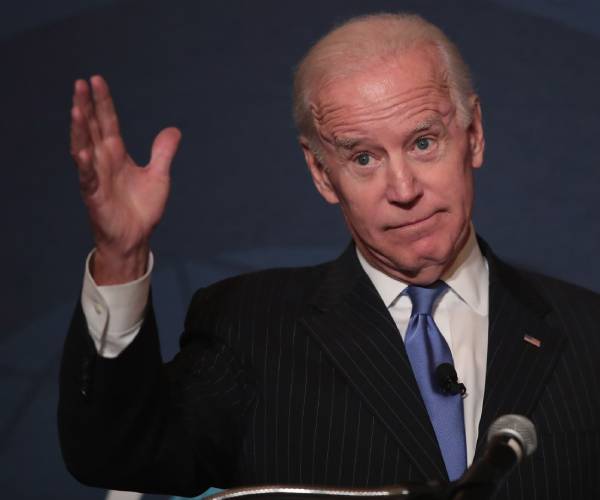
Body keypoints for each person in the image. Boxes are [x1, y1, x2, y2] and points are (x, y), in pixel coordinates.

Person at [58, 12, 600, 499]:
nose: (404, 187)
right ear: (322, 173)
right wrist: (121, 255)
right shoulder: (251, 326)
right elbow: (117, 453)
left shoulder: (587, 332)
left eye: (423, 142)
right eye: (363, 157)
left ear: (474, 134)